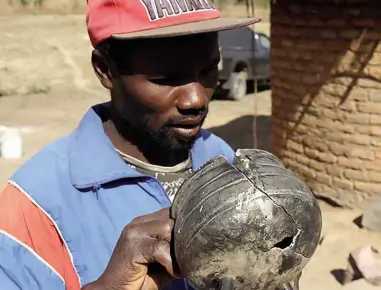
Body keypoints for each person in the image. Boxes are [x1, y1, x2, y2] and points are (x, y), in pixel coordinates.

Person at [0, 0, 262, 289]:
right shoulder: (35, 204)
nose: (195, 100)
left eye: (208, 70)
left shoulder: (221, 158)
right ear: (105, 70)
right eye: (165, 79)